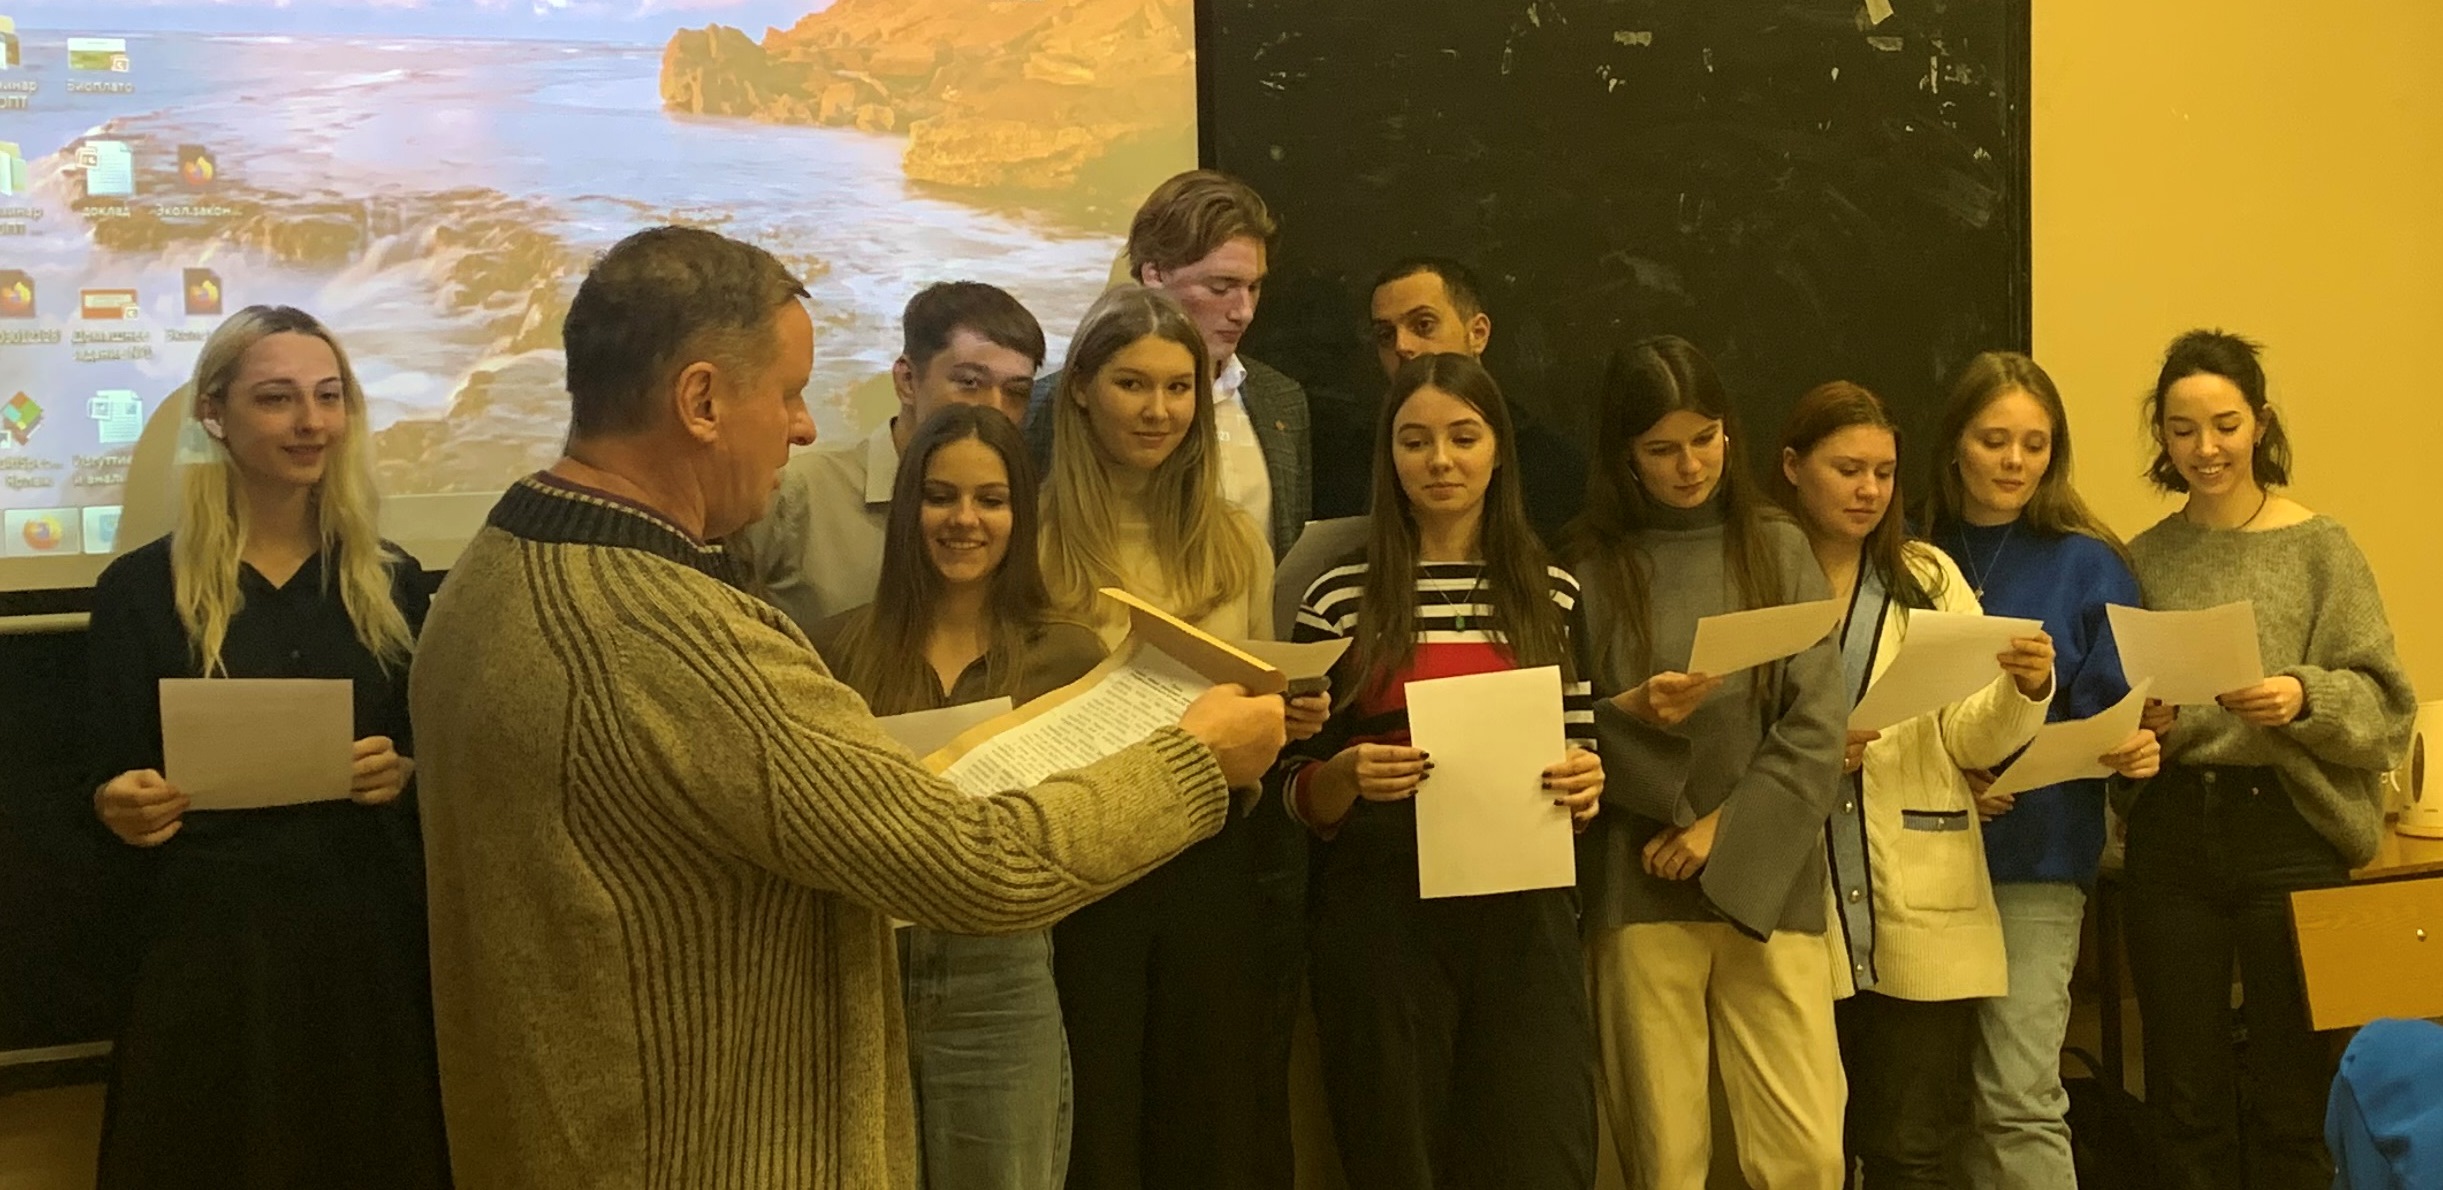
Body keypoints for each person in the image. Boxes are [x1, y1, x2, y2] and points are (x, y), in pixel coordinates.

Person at [409, 225, 1290, 1189]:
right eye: (788, 393)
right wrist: (1193, 760)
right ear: (700, 401)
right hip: (696, 1146)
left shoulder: (489, 573)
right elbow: (973, 864)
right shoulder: (669, 636)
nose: (804, 428)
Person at [82, 305, 448, 1189]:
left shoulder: (391, 580)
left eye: (328, 396)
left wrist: (403, 771)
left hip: (359, 927)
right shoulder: (140, 590)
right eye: (278, 398)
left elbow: (426, 750)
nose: (311, 422)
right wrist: (117, 803)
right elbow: (96, 771)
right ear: (215, 414)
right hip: (209, 936)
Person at [1279, 352, 1605, 1188]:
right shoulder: (1338, 597)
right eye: (1414, 440)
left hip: (1523, 911)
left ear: (1498, 451)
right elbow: (1293, 787)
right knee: (1398, 1153)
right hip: (1383, 913)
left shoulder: (1552, 594)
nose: (1440, 461)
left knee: (1538, 1151)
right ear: (1388, 456)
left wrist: (1583, 784)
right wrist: (1344, 775)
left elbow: (1582, 754)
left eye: (1463, 437)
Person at [1036, 283, 1328, 1190]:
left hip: (1209, 857)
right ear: (1080, 388)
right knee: (1096, 1124)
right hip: (1081, 865)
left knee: (1207, 1122)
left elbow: (1254, 696)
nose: (1158, 410)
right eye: (1132, 384)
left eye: (1178, 388)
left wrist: (1284, 716)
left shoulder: (1235, 539)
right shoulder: (1030, 537)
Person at [2120, 329, 2415, 1190]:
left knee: (2295, 1088)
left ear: (2260, 423)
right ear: (2161, 438)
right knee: (2182, 1090)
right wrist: (2143, 719)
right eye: (2181, 430)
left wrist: (2300, 696)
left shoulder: (2321, 546)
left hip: (2286, 825)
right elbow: (2115, 700)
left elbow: (2385, 706)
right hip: (2172, 828)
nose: (2204, 448)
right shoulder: (2141, 556)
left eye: (2224, 425)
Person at [1566, 336, 1847, 1190]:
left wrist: (1721, 830)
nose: (1689, 466)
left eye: (1704, 439)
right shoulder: (1585, 564)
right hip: (1636, 880)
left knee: (1807, 1152)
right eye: (1662, 449)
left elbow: (1817, 722)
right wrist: (1632, 714)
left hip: (1767, 875)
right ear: (1625, 454)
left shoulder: (1777, 547)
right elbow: (1560, 731)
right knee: (1665, 1153)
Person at [1770, 380, 2062, 1188]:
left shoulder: (1925, 574)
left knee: (1912, 1150)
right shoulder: (1758, 572)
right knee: (1809, 1153)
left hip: (1919, 901)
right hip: (1798, 905)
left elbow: (1970, 736)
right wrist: (1805, 754)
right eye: (1847, 470)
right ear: (1792, 467)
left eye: (1883, 472)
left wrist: (2024, 689)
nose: (1868, 491)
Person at [810, 404, 1100, 1190]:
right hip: (860, 978)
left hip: (1000, 987)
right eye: (940, 497)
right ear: (909, 507)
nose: (963, 520)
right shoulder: (833, 652)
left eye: (990, 500)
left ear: (1021, 514)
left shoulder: (1068, 656)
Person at [1922, 351, 2160, 1190]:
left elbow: (2118, 713)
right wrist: (1949, 777)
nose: (2014, 462)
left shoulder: (2087, 562)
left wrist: (2136, 745)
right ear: (1954, 444)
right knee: (1928, 1107)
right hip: (1916, 859)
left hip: (2038, 856)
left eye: (2034, 444)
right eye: (1993, 441)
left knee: (2017, 1094)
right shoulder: (1908, 551)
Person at [1025, 169, 1310, 559]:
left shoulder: (1281, 400)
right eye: (1221, 287)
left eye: (1254, 287)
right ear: (1154, 273)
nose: (1243, 311)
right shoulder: (1052, 403)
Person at [740, 280, 1045, 631]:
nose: (995, 408)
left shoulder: (1021, 509)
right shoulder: (798, 491)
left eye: (1016, 392)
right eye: (970, 383)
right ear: (907, 381)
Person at [1309, 256, 1587, 537]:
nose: (1401, 345)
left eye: (1423, 325)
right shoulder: (1352, 463)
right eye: (1385, 335)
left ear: (1478, 333)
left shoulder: (1552, 466)